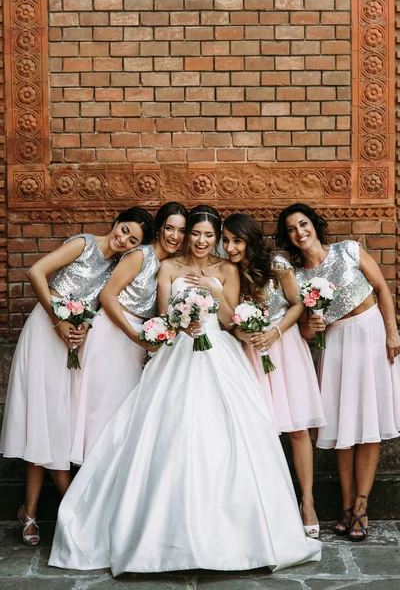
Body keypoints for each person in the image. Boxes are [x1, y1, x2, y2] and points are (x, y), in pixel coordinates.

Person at [48, 205, 321, 575]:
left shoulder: (227, 270)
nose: (202, 241)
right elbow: (162, 313)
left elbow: (228, 322)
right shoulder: (169, 268)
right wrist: (178, 322)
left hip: (218, 354)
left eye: (210, 236)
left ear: (217, 238)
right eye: (196, 234)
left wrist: (214, 291)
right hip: (177, 353)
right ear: (188, 235)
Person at [0, 207, 154, 546]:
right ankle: (56, 509)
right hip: (46, 331)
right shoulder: (84, 244)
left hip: (72, 342)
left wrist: (79, 327)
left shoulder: (117, 266)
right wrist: (58, 321)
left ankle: (39, 510)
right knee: (45, 417)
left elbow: (96, 306)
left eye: (133, 239)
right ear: (115, 222)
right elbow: (36, 271)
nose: (124, 238)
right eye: (124, 229)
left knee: (57, 421)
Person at [276, 202, 400, 542]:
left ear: (314, 225)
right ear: (287, 237)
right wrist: (312, 324)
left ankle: (362, 506)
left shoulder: (348, 251)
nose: (299, 232)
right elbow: (303, 330)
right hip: (335, 344)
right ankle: (346, 506)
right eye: (291, 229)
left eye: (303, 224)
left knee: (369, 423)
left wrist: (392, 331)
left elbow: (382, 289)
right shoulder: (297, 277)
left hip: (370, 333)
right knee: (345, 423)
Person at [222, 213, 326, 539]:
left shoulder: (277, 263)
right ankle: (267, 507)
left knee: (297, 429)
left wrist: (275, 332)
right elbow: (227, 318)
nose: (230, 247)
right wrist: (246, 333)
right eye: (225, 241)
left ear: (249, 239)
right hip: (251, 353)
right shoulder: (228, 271)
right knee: (258, 431)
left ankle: (307, 502)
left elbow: (297, 305)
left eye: (236, 240)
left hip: (286, 348)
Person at [70, 202, 188, 464]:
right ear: (160, 229)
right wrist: (134, 336)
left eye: (181, 231)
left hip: (137, 341)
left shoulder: (170, 264)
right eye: (170, 229)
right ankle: (88, 476)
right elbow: (108, 296)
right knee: (100, 408)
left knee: (122, 412)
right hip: (111, 334)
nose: (174, 237)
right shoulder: (141, 256)